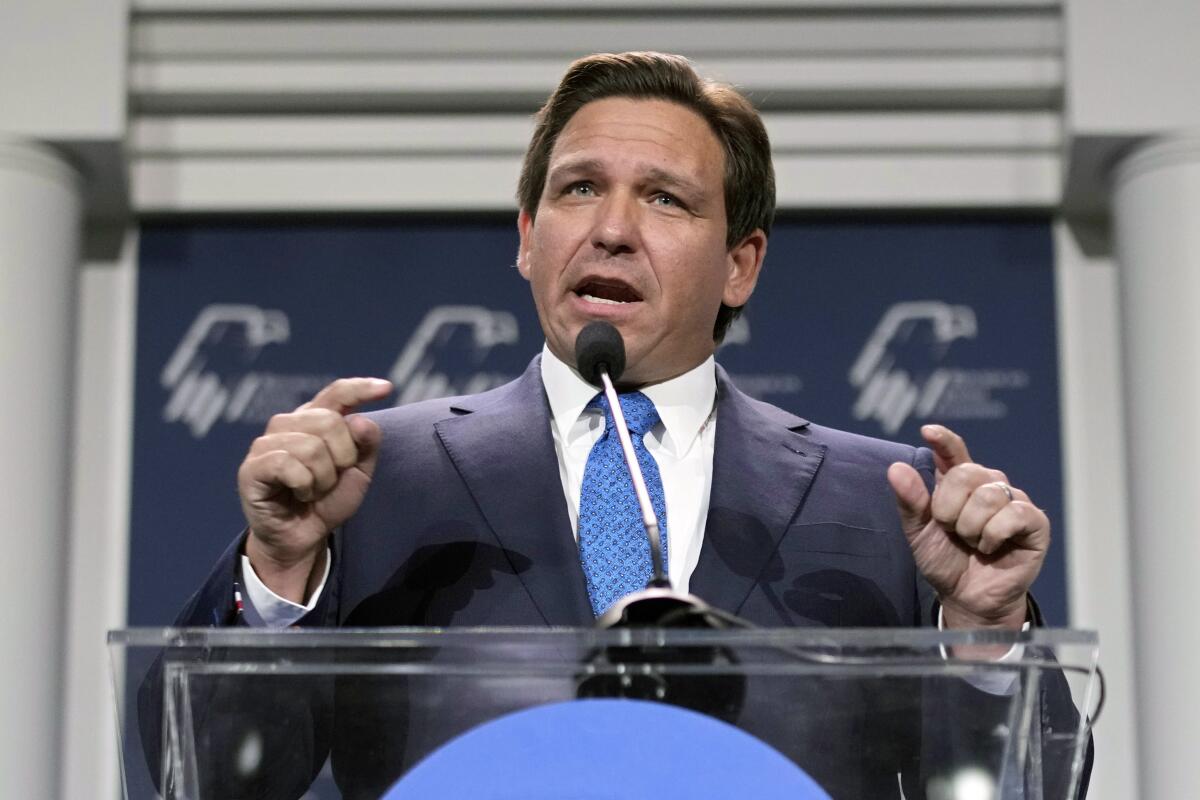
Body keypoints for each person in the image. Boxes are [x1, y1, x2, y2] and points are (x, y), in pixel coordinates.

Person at [155, 52, 1088, 798]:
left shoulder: (886, 502)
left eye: (665, 198)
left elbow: (1019, 790)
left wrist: (982, 633)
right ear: (527, 239)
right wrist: (278, 570)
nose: (610, 229)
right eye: (577, 189)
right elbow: (191, 779)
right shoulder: (376, 477)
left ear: (740, 265)